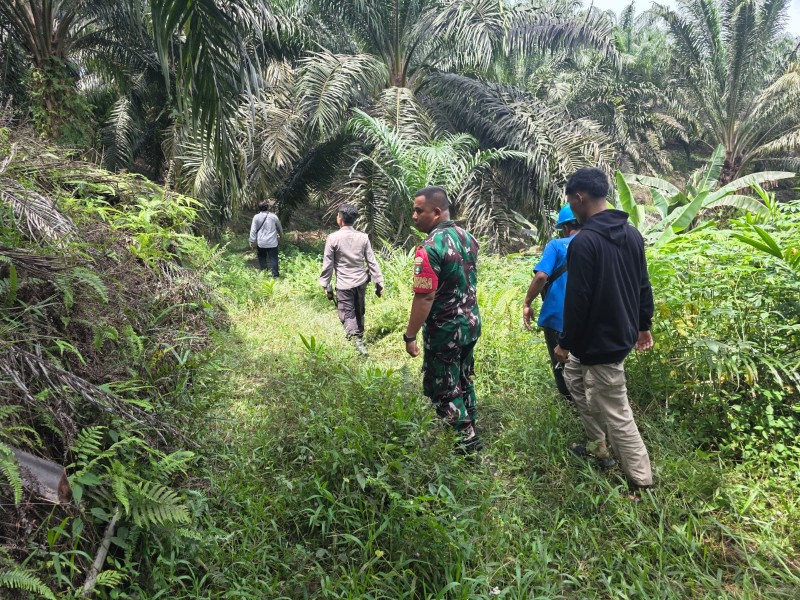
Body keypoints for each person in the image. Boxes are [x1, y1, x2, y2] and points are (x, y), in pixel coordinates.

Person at [553, 167, 655, 497]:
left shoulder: (584, 242)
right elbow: (643, 285)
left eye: (571, 200)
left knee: (617, 412)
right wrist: (642, 325)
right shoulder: (632, 234)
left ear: (579, 198)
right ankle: (598, 445)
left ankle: (641, 482)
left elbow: (577, 300)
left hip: (600, 341)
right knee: (575, 379)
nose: (572, 206)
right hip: (610, 336)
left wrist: (564, 342)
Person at [403, 186, 482, 453]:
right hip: (470, 325)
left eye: (418, 210)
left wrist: (410, 335)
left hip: (445, 330)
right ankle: (472, 425)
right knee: (463, 378)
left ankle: (467, 446)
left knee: (444, 390)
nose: (414, 216)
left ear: (436, 212)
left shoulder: (428, 248)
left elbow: (424, 298)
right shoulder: (468, 237)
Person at [522, 205, 582, 402]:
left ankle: (571, 403)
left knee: (563, 363)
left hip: (558, 318)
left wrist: (527, 302)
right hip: (589, 317)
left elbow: (541, 276)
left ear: (565, 227)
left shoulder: (556, 245)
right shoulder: (596, 243)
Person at [318, 204, 384, 356]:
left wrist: (325, 285)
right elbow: (371, 261)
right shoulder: (363, 237)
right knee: (359, 309)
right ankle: (359, 336)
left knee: (348, 312)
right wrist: (378, 281)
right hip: (361, 282)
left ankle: (357, 342)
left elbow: (328, 265)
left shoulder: (333, 238)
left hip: (344, 284)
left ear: (340, 219)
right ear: (353, 220)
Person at [249, 201, 283, 277]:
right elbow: (279, 228)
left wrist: (251, 240)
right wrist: (281, 236)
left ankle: (264, 274)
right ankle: (275, 275)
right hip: (272, 242)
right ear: (267, 207)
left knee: (262, 258)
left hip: (261, 243)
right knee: (273, 259)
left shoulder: (256, 217)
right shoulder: (274, 216)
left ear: (259, 208)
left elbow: (253, 230)